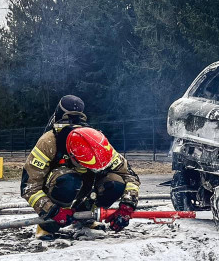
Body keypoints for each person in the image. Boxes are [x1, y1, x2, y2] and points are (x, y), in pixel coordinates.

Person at [20, 95, 140, 241]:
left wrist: (127, 206)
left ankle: (85, 218)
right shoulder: (49, 142)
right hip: (63, 185)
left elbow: (130, 176)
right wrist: (52, 210)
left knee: (115, 183)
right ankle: (47, 226)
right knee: (69, 181)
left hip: (86, 186)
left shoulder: (99, 145)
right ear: (72, 155)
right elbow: (29, 187)